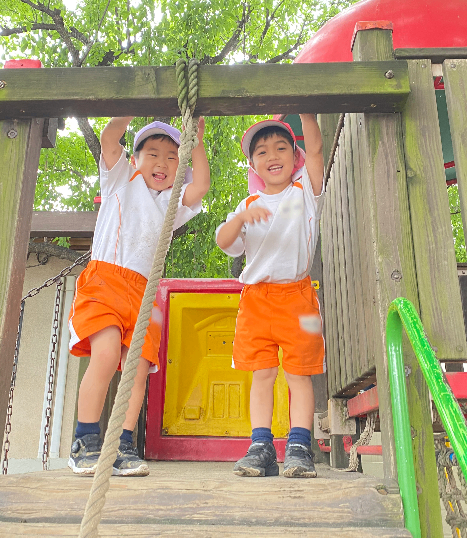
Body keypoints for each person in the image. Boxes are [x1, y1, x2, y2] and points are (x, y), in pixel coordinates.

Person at [68, 116, 210, 476]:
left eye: (171, 157)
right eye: (152, 154)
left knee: (137, 370)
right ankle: (85, 440)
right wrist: (130, 108)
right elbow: (110, 137)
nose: (162, 163)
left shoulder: (170, 204)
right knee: (106, 353)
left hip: (143, 294)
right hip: (105, 282)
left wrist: (197, 142)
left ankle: (123, 443)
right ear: (135, 160)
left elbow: (202, 186)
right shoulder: (121, 181)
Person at [215, 115, 324, 478]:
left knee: (299, 375)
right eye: (262, 151)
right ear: (253, 164)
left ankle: (299, 446)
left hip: (298, 298)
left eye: (281, 147)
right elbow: (223, 241)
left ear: (296, 158)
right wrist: (241, 217)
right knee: (261, 374)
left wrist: (307, 112)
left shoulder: (305, 191)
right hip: (257, 301)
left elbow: (318, 149)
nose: (272, 155)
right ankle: (261, 446)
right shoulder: (248, 204)